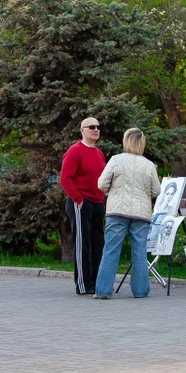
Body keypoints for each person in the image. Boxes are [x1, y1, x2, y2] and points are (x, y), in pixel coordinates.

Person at [93, 128, 161, 299]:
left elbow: (102, 184)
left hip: (117, 211)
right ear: (142, 143)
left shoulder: (116, 160)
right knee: (139, 252)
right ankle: (140, 291)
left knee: (110, 250)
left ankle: (103, 291)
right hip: (141, 213)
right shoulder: (149, 165)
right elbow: (156, 190)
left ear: (126, 141)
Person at [60, 117, 106, 295]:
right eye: (91, 127)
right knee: (82, 244)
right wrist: (79, 200)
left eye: (98, 127)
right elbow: (65, 178)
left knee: (97, 243)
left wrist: (102, 199)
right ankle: (83, 284)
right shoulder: (75, 151)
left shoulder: (99, 153)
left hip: (97, 202)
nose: (95, 130)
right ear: (82, 131)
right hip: (80, 203)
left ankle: (96, 282)